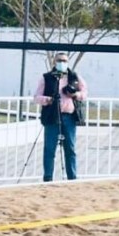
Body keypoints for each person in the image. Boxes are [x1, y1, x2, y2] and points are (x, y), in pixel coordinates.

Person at [34, 52, 88, 182]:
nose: (62, 63)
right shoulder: (46, 78)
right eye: (59, 60)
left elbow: (84, 92)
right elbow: (36, 97)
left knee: (70, 148)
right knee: (49, 148)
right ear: (54, 62)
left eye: (64, 61)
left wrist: (75, 94)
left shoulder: (75, 76)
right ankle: (48, 177)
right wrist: (48, 100)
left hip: (69, 117)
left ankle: (72, 177)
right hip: (52, 116)